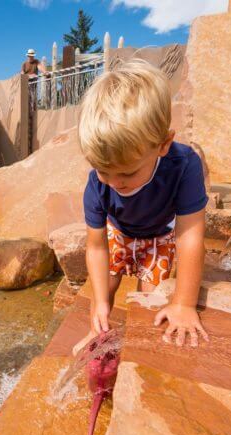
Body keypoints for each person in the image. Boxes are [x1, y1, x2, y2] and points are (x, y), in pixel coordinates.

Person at [80, 61, 210, 347]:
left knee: (150, 303)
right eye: (104, 171)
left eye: (127, 172)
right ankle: (96, 337)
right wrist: (100, 301)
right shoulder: (96, 184)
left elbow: (190, 237)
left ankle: (138, 351)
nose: (114, 182)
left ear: (163, 144)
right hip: (119, 233)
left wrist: (185, 304)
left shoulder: (184, 166)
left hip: (159, 237)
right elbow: (96, 247)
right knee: (101, 292)